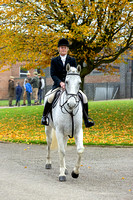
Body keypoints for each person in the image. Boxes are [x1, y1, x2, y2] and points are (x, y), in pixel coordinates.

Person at [41, 38, 94, 128]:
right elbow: (53, 74)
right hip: (58, 85)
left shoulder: (72, 60)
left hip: (71, 86)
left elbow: (75, 74)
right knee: (50, 97)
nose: (63, 49)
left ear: (67, 49)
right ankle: (45, 117)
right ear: (59, 49)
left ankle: (86, 119)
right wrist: (60, 83)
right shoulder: (54, 60)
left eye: (65, 48)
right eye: (62, 47)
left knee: (84, 97)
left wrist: (69, 84)